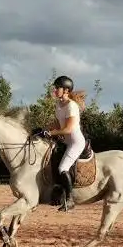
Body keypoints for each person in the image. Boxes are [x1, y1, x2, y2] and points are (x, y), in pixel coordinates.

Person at [37, 75, 86, 211]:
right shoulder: (59, 104)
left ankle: (70, 200)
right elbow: (58, 123)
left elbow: (68, 129)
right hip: (66, 142)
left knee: (62, 168)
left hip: (76, 143)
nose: (55, 90)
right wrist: (43, 129)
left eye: (57, 87)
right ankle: (57, 190)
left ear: (66, 90)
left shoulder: (71, 106)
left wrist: (50, 133)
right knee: (51, 161)